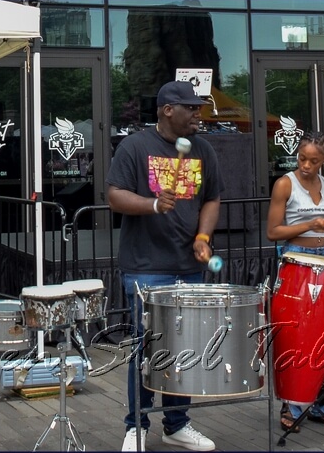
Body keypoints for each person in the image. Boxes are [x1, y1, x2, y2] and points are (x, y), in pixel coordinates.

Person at [106, 81, 222, 452]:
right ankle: (135, 425)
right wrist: (153, 204)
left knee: (184, 347)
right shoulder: (135, 146)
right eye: (191, 108)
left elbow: (212, 199)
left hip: (188, 266)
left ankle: (177, 423)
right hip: (145, 266)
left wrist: (203, 237)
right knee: (147, 348)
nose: (197, 115)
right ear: (168, 109)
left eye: (199, 108)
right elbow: (114, 196)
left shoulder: (203, 149)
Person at [266, 130, 324, 431]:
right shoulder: (285, 184)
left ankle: (317, 403)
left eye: (313, 161)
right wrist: (308, 223)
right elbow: (273, 232)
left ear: (323, 161)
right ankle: (292, 406)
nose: (306, 165)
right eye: (302, 158)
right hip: (297, 260)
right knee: (299, 336)